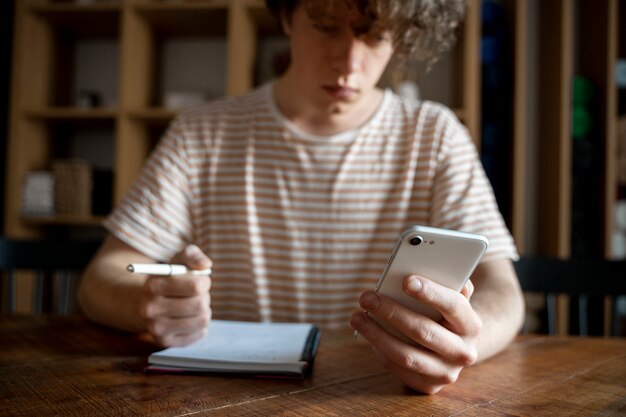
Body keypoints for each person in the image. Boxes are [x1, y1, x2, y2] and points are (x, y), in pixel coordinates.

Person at [78, 0, 525, 394]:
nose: (349, 61)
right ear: (286, 15)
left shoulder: (434, 135)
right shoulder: (202, 134)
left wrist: (464, 344)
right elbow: (101, 277)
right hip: (223, 394)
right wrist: (147, 303)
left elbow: (502, 290)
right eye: (327, 25)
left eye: (374, 34)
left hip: (375, 394)